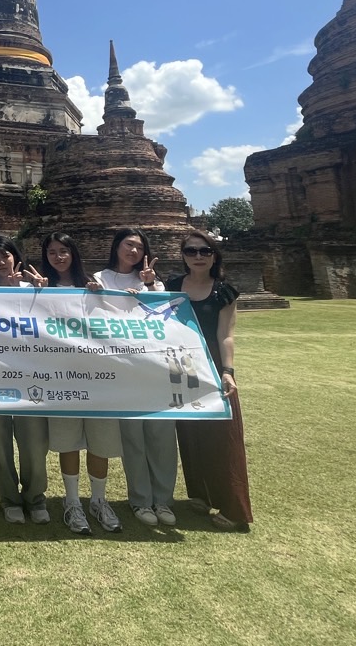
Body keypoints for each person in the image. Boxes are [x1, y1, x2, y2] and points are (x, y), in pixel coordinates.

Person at [165, 230, 253, 532]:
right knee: (190, 433)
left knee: (223, 438)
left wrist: (228, 371)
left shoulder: (224, 291)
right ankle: (200, 494)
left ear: (214, 255)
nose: (198, 257)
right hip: (181, 366)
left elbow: (226, 334)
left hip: (213, 367)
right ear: (183, 256)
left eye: (205, 251)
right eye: (191, 251)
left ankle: (234, 507)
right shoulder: (172, 287)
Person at [41, 232, 124, 536]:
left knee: (100, 441)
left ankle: (99, 500)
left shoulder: (93, 285)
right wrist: (35, 295)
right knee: (69, 440)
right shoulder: (43, 288)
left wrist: (103, 297)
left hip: (96, 375)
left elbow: (119, 323)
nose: (58, 257)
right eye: (52, 252)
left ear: (74, 253)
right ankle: (72, 501)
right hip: (60, 376)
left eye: (64, 250)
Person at [92, 227, 174, 529]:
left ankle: (163, 499)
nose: (134, 251)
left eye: (139, 247)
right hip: (122, 368)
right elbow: (95, 317)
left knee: (162, 436)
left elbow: (168, 317)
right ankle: (140, 500)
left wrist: (150, 289)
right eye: (128, 245)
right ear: (116, 247)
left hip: (153, 367)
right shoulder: (101, 279)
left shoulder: (153, 281)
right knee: (133, 438)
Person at [0, 236, 50, 525]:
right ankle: (9, 498)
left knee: (33, 441)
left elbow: (48, 326)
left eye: (5, 256)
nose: (1, 263)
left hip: (30, 373)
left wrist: (33, 293)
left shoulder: (34, 288)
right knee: (0, 440)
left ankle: (35, 498)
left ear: (15, 256)